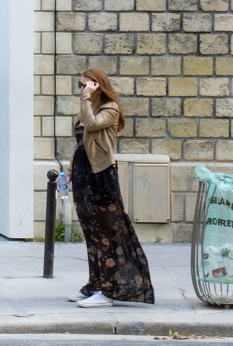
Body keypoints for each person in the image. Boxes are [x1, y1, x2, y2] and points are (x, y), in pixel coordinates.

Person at [67, 68, 154, 307]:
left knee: (105, 236)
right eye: (80, 85)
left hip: (101, 177)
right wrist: (69, 173)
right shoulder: (87, 108)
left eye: (86, 85)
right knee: (91, 235)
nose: (82, 89)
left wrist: (85, 99)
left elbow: (92, 125)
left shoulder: (111, 109)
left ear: (98, 86)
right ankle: (94, 284)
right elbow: (80, 145)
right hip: (83, 177)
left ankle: (108, 291)